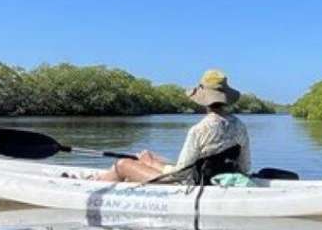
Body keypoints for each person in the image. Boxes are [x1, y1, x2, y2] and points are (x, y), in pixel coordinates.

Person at [96, 69, 251, 183]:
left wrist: (150, 164)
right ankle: (100, 179)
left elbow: (180, 175)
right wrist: (154, 162)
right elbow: (245, 167)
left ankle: (93, 186)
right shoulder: (240, 126)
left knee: (122, 164)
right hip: (213, 178)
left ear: (203, 99)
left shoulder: (199, 130)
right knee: (152, 157)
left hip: (190, 184)